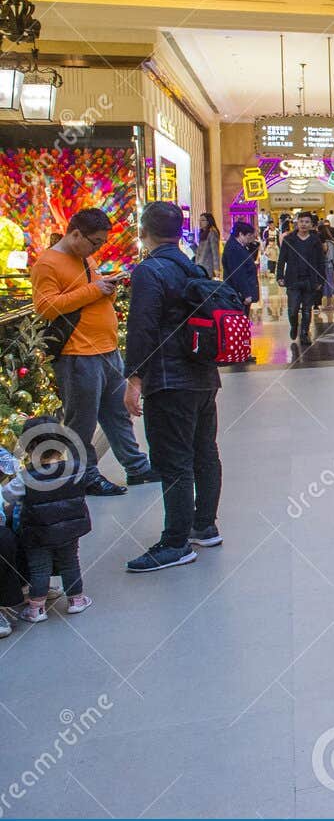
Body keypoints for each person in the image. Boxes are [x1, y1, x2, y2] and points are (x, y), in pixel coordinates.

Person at [123, 201, 224, 571]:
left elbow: (143, 329)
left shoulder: (150, 272)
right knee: (204, 452)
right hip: (202, 376)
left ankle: (176, 542)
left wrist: (134, 378)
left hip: (168, 380)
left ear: (143, 230)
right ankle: (204, 525)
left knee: (173, 460)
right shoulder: (192, 267)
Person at [30, 208, 156, 496]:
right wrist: (94, 290)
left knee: (117, 414)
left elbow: (89, 294)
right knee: (81, 421)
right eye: (95, 241)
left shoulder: (85, 257)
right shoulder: (48, 264)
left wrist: (106, 289)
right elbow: (46, 307)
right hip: (78, 355)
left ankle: (136, 467)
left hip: (107, 350)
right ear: (76, 234)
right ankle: (84, 475)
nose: (97, 247)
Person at [3, 415, 94, 621]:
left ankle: (37, 608)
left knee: (39, 567)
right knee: (70, 562)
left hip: (37, 532)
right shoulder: (75, 468)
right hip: (69, 529)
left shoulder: (26, 477)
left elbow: (8, 495)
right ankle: (76, 600)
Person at [276, 212, 326, 346]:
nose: (304, 224)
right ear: (297, 223)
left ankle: (304, 332)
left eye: (307, 222)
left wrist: (321, 280)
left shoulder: (315, 241)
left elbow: (321, 261)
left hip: (310, 280)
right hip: (293, 280)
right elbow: (281, 259)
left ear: (311, 224)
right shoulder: (289, 239)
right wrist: (279, 276)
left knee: (307, 309)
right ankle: (294, 325)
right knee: (293, 309)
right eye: (301, 221)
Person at [222, 221, 261, 322]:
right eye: (248, 236)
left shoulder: (239, 246)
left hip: (240, 291)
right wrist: (246, 293)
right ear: (240, 234)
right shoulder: (234, 249)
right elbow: (238, 274)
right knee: (241, 318)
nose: (250, 239)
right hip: (239, 293)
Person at [318, 221, 334, 307]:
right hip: (331, 264)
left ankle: (329, 302)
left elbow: (325, 253)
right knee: (332, 282)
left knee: (328, 283)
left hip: (327, 264)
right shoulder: (333, 242)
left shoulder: (326, 243)